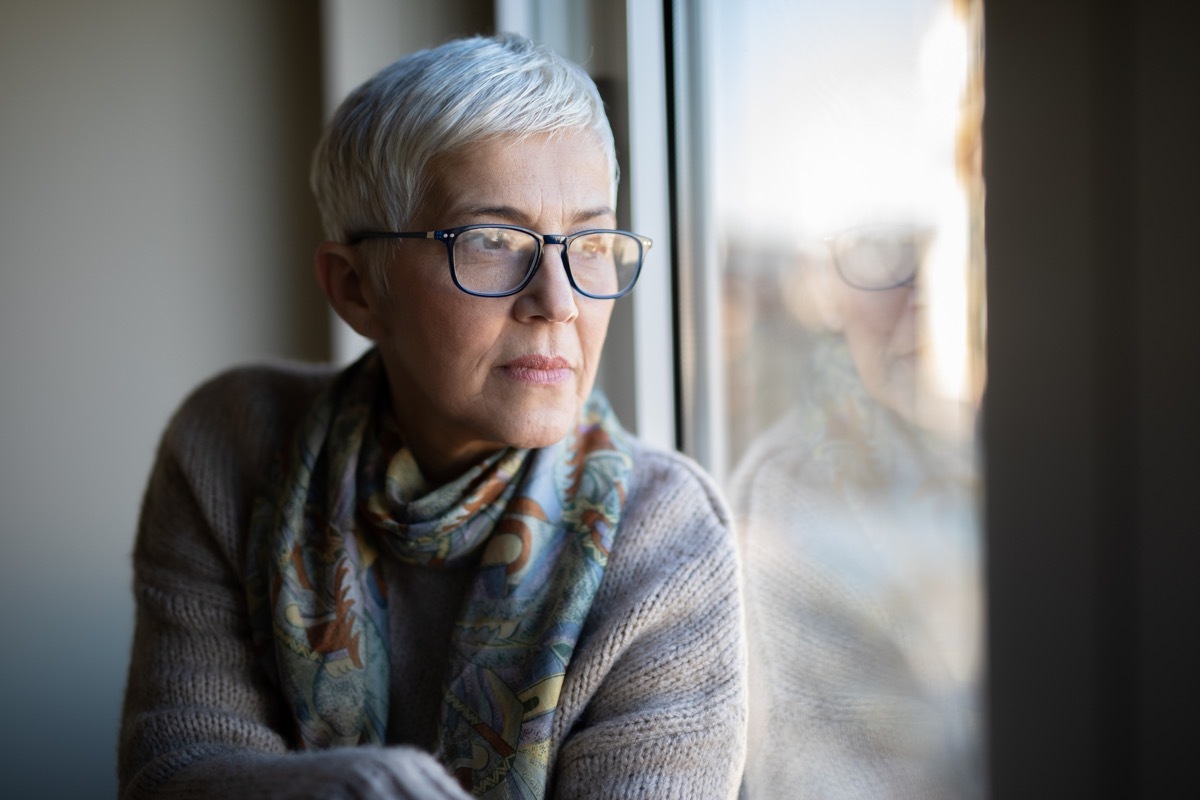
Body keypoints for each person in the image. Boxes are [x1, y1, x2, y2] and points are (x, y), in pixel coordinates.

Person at [119, 34, 746, 799]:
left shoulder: (667, 536)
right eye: (491, 240)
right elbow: (173, 775)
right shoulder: (232, 446)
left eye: (588, 242)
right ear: (356, 290)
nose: (558, 303)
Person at [733, 226, 982, 799]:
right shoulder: (789, 489)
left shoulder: (948, 452)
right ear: (822, 288)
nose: (919, 289)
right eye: (880, 253)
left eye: (934, 252)